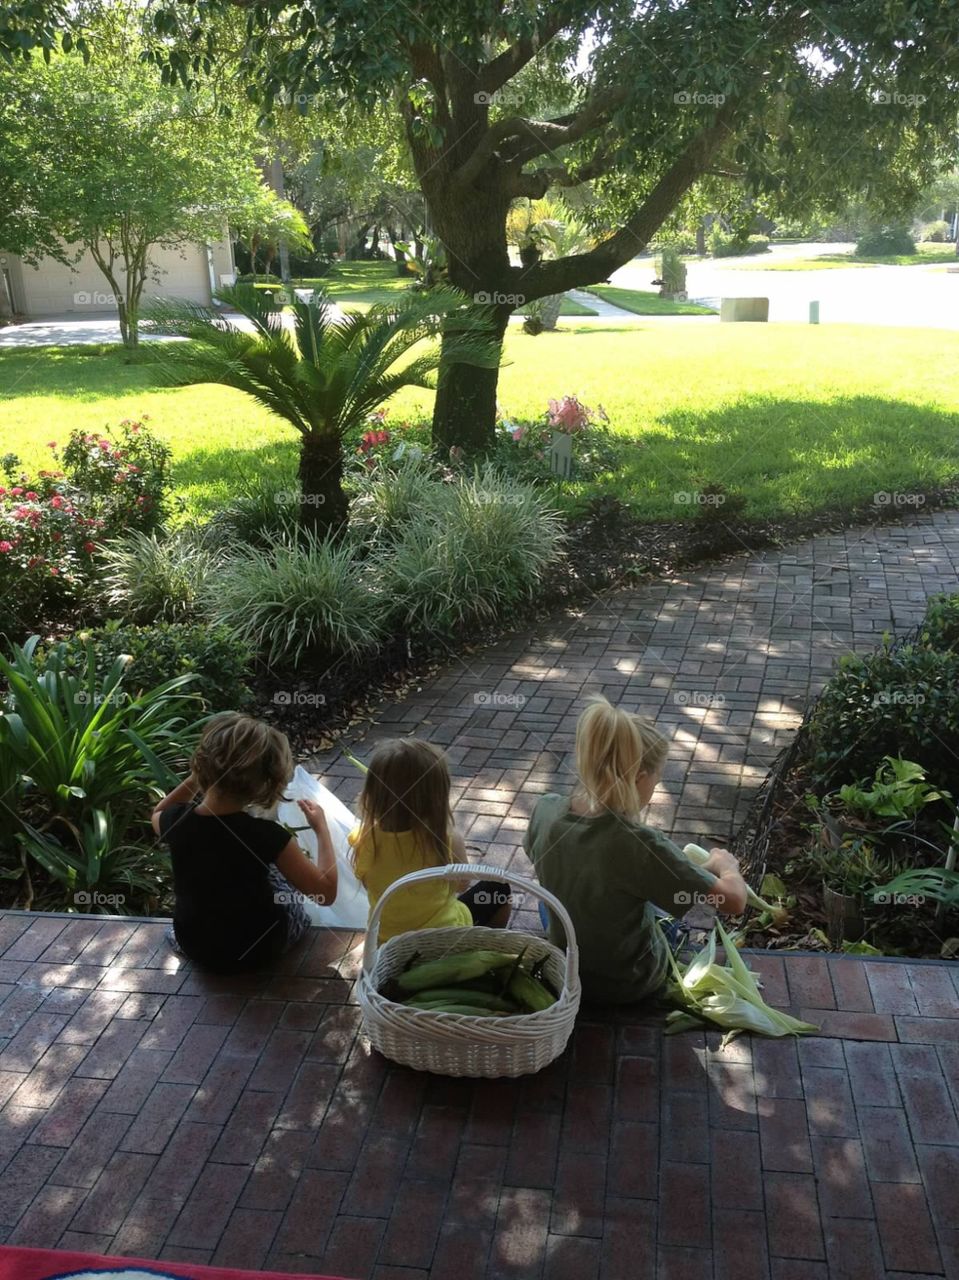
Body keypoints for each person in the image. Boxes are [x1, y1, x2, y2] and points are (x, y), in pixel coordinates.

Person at [524, 695, 748, 1004]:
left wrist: (694, 871)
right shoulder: (640, 843)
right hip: (627, 982)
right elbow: (733, 902)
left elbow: (591, 863)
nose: (656, 787)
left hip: (566, 968)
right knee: (665, 919)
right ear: (640, 777)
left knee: (551, 901)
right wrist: (726, 867)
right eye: (657, 778)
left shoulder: (545, 809)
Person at [152, 712, 337, 973]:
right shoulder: (268, 835)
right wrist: (321, 830)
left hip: (195, 945)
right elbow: (326, 893)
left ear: (202, 765)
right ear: (265, 783)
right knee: (281, 882)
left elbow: (157, 812)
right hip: (262, 948)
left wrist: (201, 775)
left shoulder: (175, 821)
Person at [350, 737, 512, 941]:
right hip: (444, 937)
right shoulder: (446, 838)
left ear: (373, 793)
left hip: (389, 941)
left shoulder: (362, 837)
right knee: (499, 888)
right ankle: (487, 945)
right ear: (437, 796)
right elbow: (462, 885)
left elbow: (369, 884)